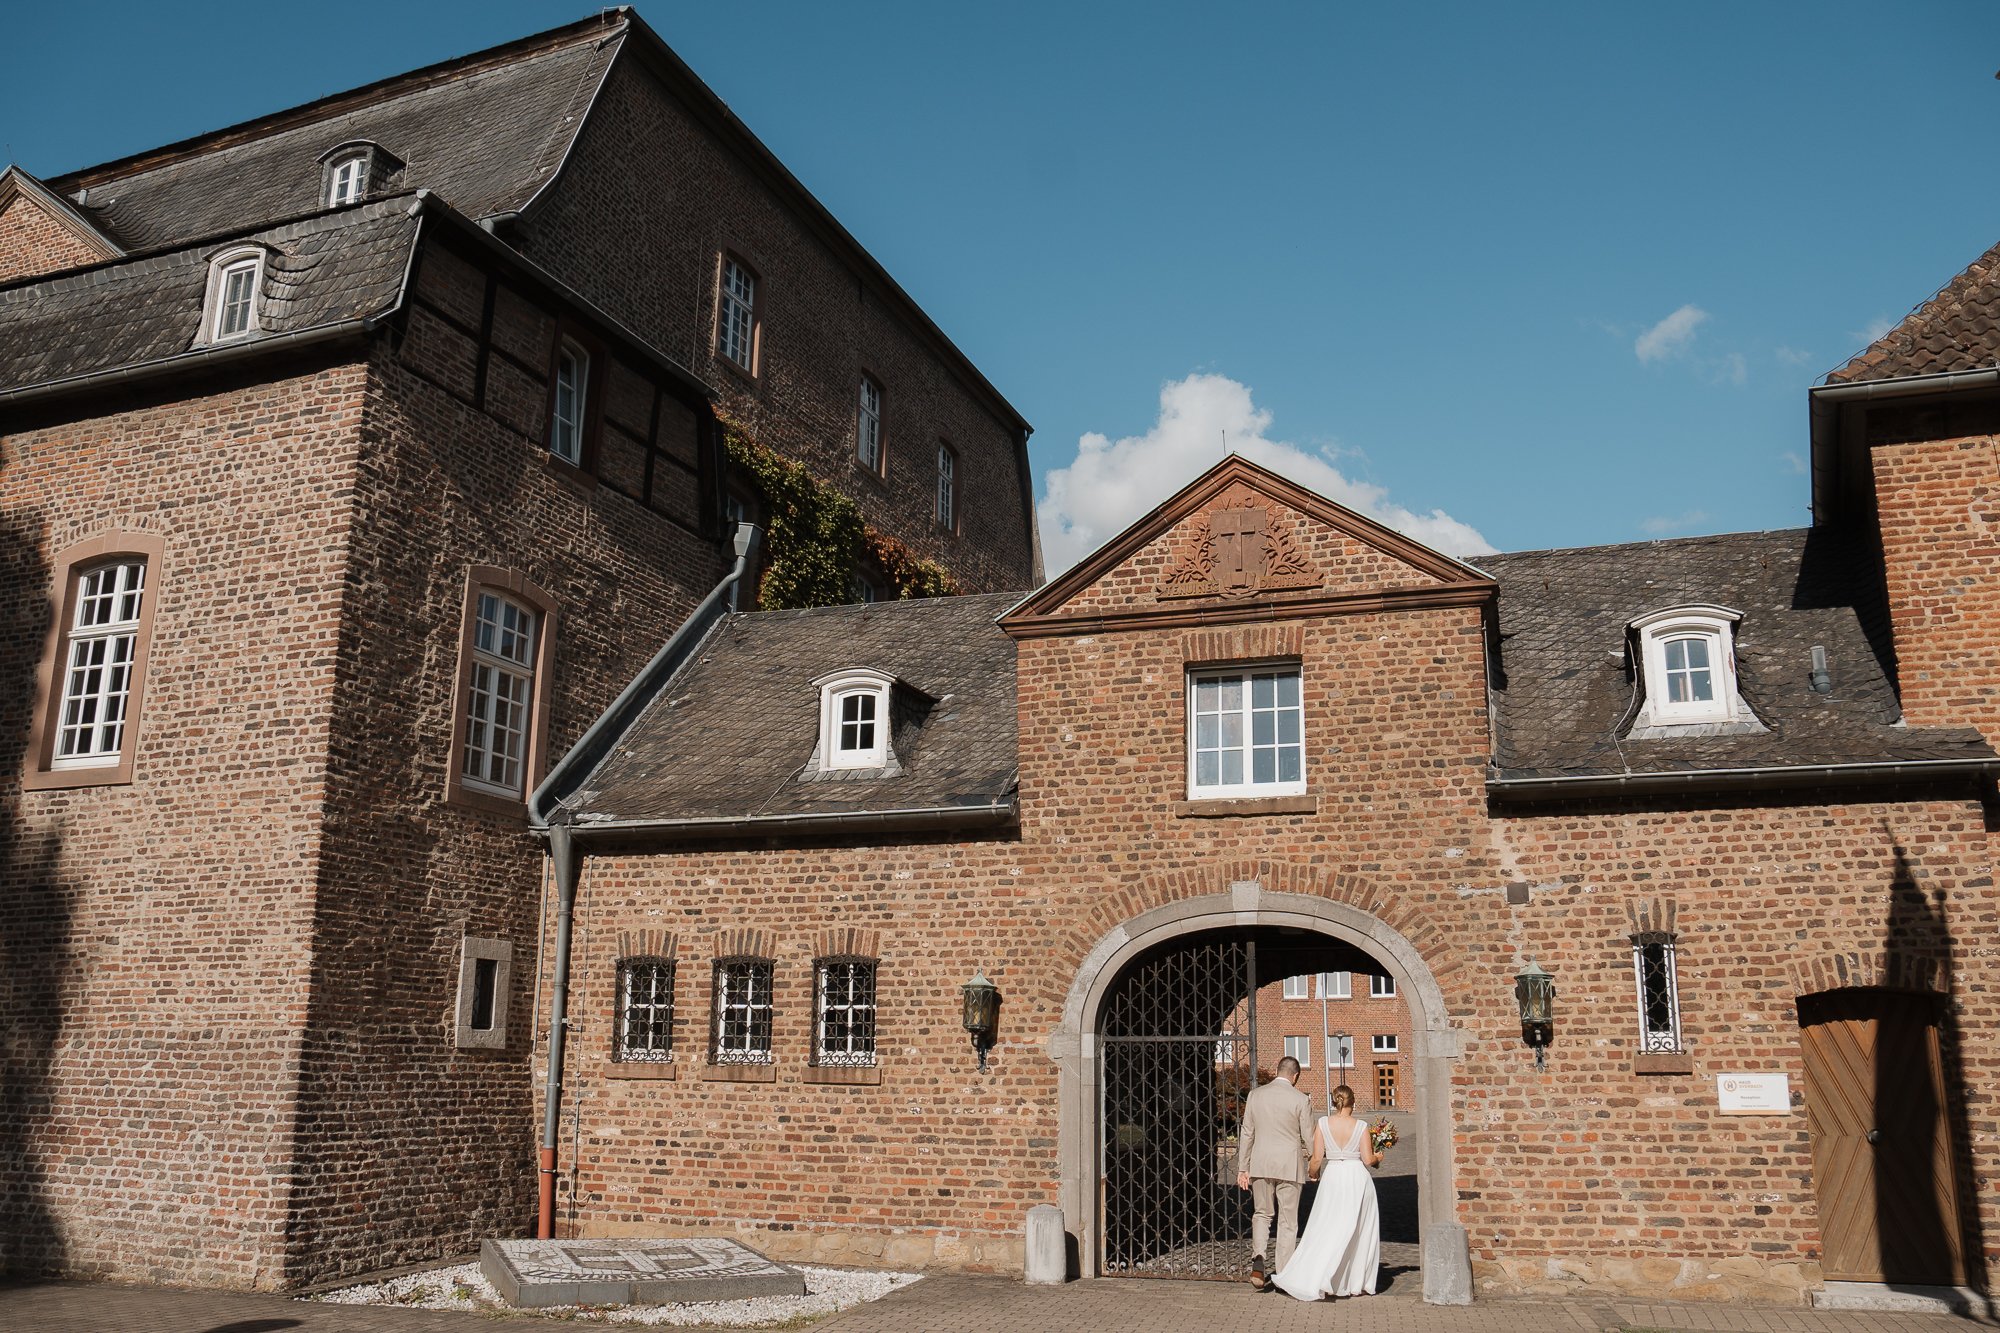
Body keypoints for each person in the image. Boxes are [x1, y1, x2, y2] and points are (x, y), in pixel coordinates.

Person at [1272, 1083, 1382, 1301]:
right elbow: (1368, 1160)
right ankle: (1352, 1282)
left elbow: (1315, 1159)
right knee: (1358, 1230)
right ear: (1353, 1102)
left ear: (1334, 1101)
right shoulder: (1361, 1126)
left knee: (1325, 1225)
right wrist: (1379, 1158)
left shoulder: (1322, 1123)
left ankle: (1319, 1274)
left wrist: (1313, 1174)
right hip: (1356, 1178)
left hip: (1332, 1177)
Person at [1234, 1055, 1313, 1290]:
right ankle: (1283, 1273)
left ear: (1278, 1070)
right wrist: (1316, 1162)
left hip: (1261, 1163)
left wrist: (1242, 1168)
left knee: (1262, 1213)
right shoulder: (1300, 1099)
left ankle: (1259, 1257)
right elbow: (1308, 1136)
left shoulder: (1256, 1095)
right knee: (1288, 1222)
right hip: (1290, 1166)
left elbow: (1247, 1132)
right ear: (1295, 1075)